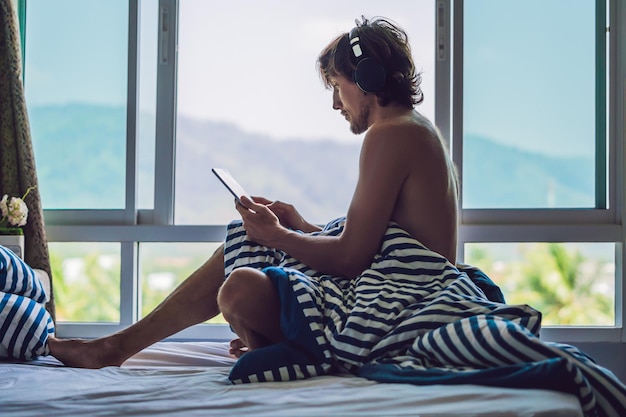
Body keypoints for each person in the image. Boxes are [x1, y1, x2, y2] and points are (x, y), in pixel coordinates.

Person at [48, 16, 459, 367]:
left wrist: (278, 236)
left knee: (242, 287)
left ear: (366, 79)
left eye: (337, 86)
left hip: (396, 304)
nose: (337, 104)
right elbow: (378, 248)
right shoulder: (414, 130)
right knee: (246, 245)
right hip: (392, 288)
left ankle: (121, 347)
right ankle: (117, 347)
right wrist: (299, 225)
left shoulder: (391, 135)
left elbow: (353, 259)